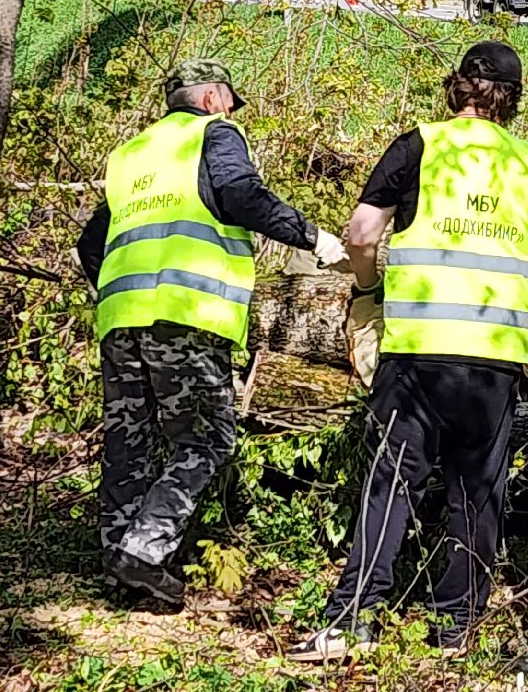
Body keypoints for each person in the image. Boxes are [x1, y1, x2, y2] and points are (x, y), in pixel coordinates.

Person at [288, 42, 528, 663]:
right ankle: (455, 629)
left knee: (391, 485)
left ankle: (352, 620)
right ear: (512, 101)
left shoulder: (418, 145)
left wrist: (367, 287)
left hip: (417, 350)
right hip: (496, 357)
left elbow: (361, 233)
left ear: (457, 87)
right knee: (477, 492)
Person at [76, 60, 346, 604]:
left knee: (130, 442)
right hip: (186, 314)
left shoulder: (132, 154)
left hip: (121, 318)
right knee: (206, 438)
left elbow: (91, 244)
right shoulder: (215, 133)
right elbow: (240, 196)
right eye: (228, 101)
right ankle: (145, 550)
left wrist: (118, 290)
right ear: (213, 97)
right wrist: (312, 237)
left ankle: (116, 563)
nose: (230, 111)